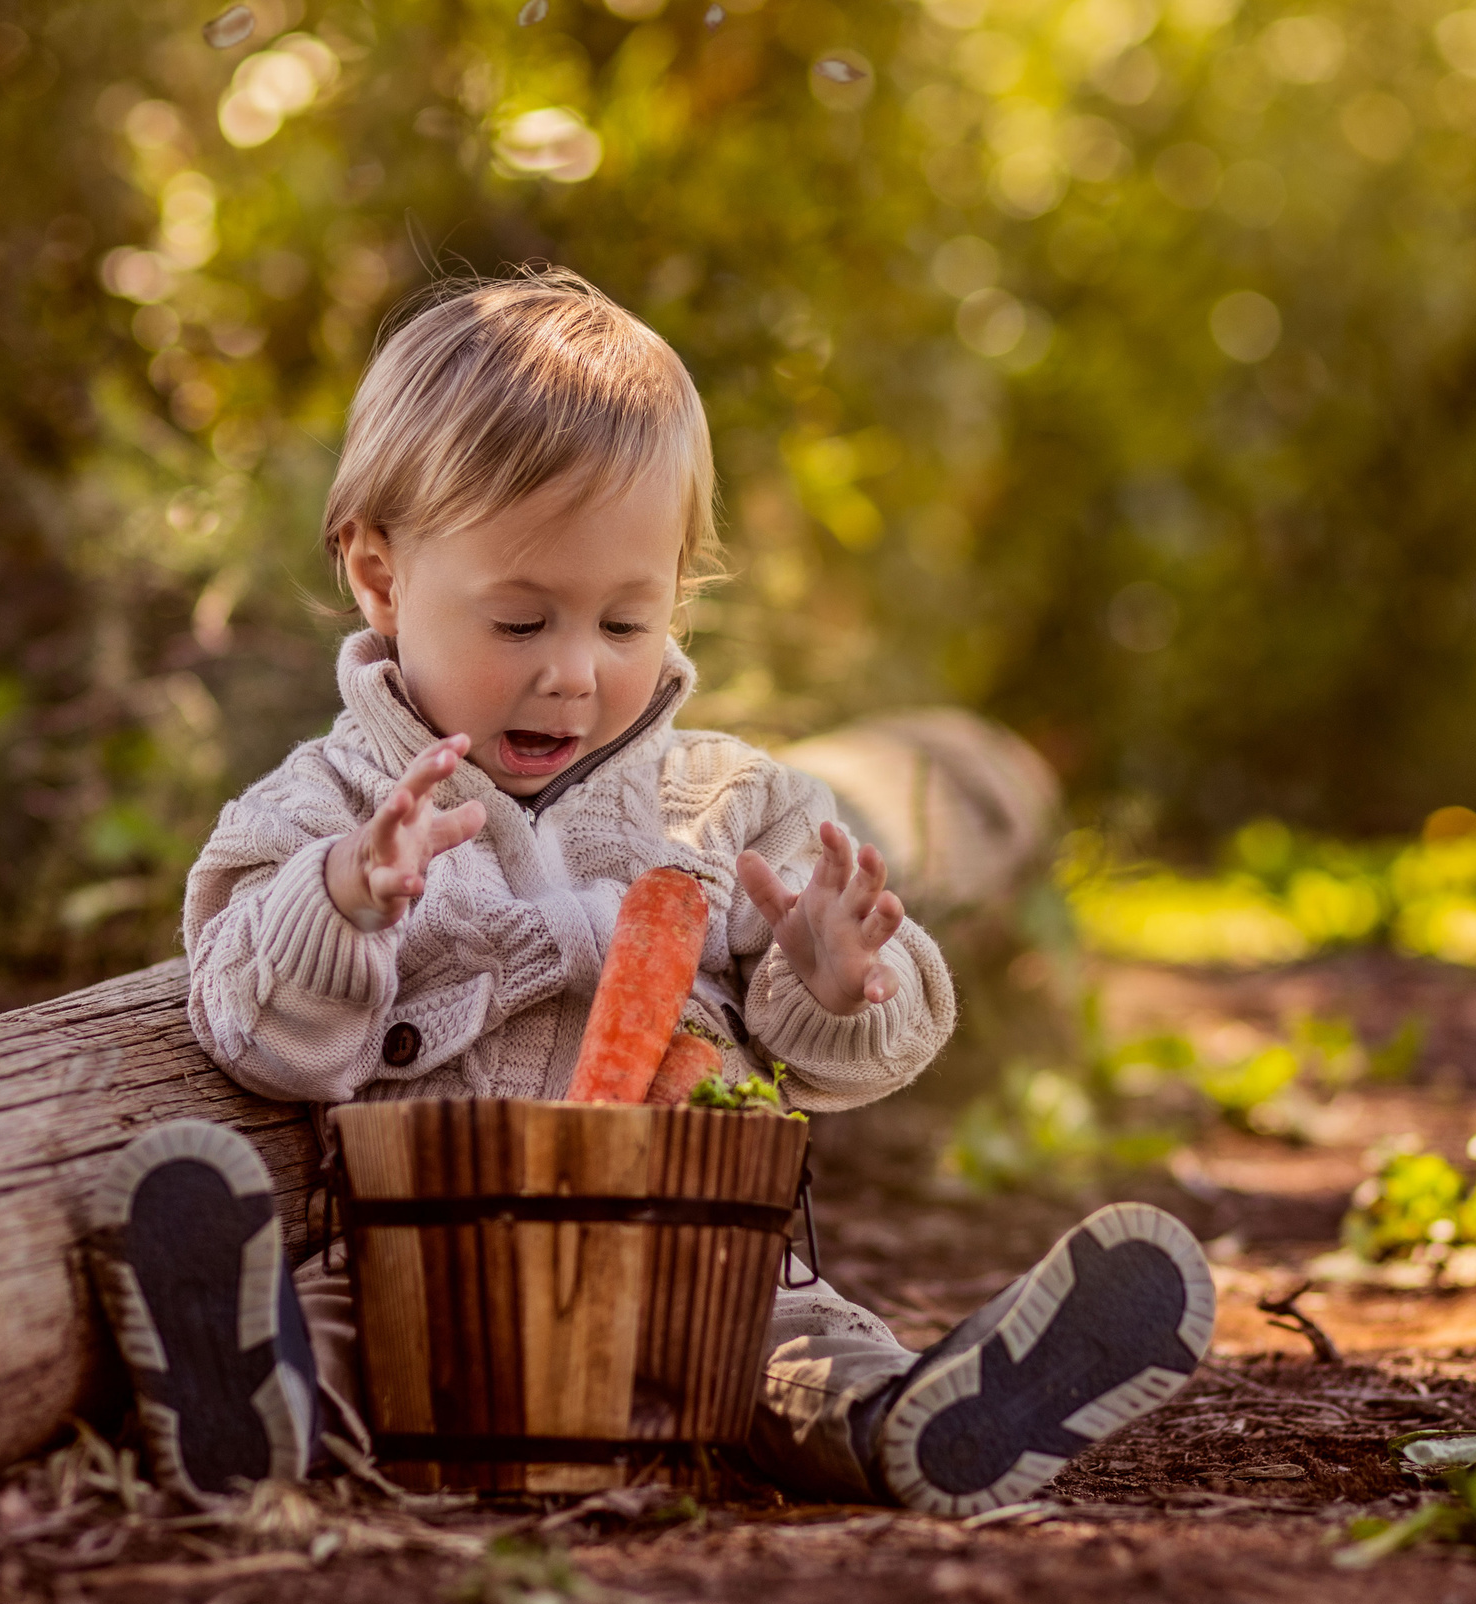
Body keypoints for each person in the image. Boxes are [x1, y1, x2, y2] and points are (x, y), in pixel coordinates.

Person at [85, 268, 1213, 1518]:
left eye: (626, 626)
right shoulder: (328, 810)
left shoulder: (731, 805)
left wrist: (837, 980)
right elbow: (253, 1032)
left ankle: (919, 1420)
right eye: (520, 625)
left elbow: (845, 1059)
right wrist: (342, 902)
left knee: (795, 1347)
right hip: (428, 1268)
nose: (573, 677)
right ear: (380, 575)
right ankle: (257, 1406)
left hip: (700, 1271)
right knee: (344, 1327)